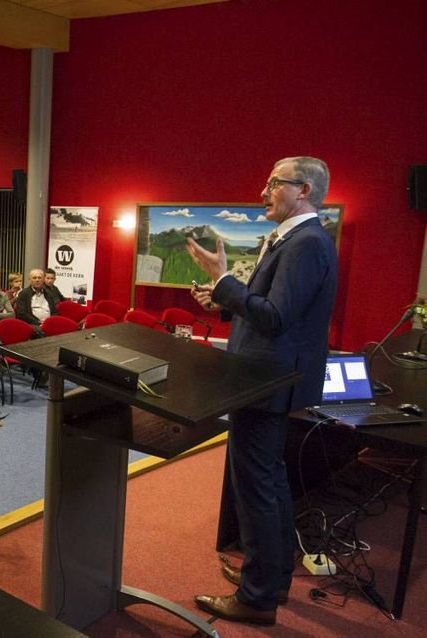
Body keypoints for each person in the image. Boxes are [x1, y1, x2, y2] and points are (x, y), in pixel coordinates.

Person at [186, 157, 338, 626]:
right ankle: (269, 579)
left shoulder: (307, 242)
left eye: (274, 183)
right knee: (266, 484)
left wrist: (226, 281)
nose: (263, 192)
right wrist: (223, 297)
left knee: (258, 489)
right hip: (264, 379)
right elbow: (267, 312)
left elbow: (275, 317)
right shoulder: (297, 239)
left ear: (305, 190)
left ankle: (257, 598)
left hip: (266, 384)